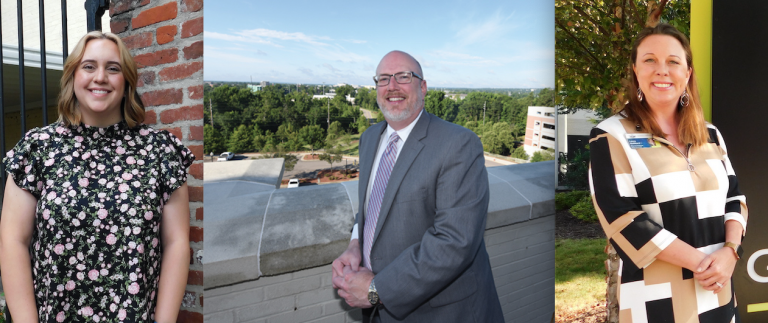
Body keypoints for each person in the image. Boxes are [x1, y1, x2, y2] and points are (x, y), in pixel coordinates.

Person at [0, 31, 193, 323]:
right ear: (73, 76)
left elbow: (177, 242)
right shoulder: (37, 149)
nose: (100, 77)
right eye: (89, 66)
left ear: (126, 80)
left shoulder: (160, 151)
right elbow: (13, 239)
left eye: (113, 68)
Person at [589, 23, 747, 323]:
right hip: (656, 302)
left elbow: (735, 198)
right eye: (650, 60)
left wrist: (730, 253)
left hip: (718, 292)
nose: (662, 70)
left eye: (673, 61)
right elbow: (622, 220)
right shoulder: (610, 135)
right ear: (636, 70)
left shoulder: (710, 135)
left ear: (687, 73)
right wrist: (705, 264)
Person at [331, 50, 504, 322]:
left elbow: (455, 241)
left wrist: (377, 290)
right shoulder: (369, 139)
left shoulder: (458, 144)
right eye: (384, 79)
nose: (392, 87)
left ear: (422, 87)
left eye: (403, 77)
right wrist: (356, 243)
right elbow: (373, 207)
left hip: (441, 312)